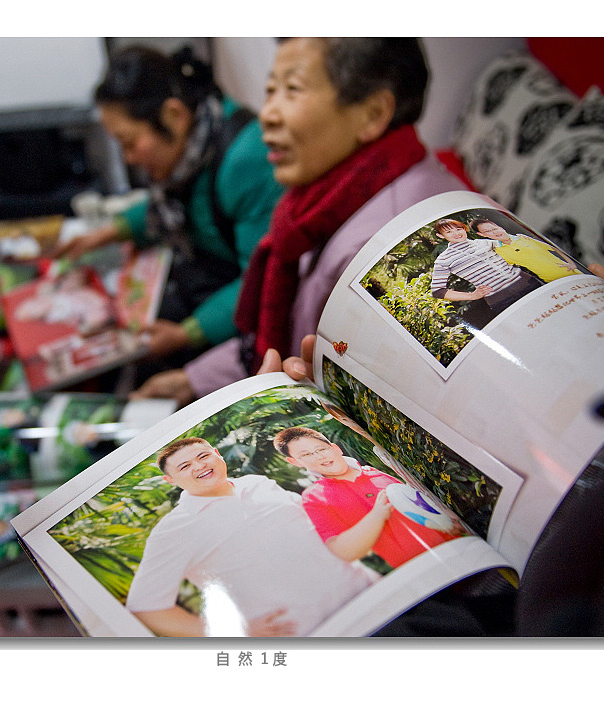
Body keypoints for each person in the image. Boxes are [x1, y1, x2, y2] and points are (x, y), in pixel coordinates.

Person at [132, 38, 467, 406]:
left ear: (372, 114)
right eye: (270, 90)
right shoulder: (322, 203)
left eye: (292, 89)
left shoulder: (392, 251)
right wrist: (192, 380)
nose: (267, 114)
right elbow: (291, 336)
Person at [52, 46, 283, 364]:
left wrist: (186, 334)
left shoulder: (245, 161)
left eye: (129, 143)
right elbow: (170, 207)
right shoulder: (192, 149)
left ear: (174, 116)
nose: (129, 158)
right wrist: (107, 233)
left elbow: (261, 280)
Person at [124, 437, 375, 636]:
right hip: (315, 633)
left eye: (203, 456)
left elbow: (322, 526)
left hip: (369, 594)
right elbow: (146, 608)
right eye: (185, 466)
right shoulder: (174, 530)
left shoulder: (258, 483)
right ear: (171, 480)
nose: (199, 466)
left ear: (217, 454)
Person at [273, 427, 464, 570]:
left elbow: (423, 503)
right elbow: (343, 551)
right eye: (306, 454)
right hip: (422, 571)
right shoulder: (313, 497)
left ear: (335, 448)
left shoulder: (376, 472)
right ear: (295, 462)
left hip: (459, 548)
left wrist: (448, 518)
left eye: (321, 449)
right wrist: (377, 515)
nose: (319, 457)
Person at [430, 218, 544, 314]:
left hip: (527, 283)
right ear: (440, 235)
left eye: (459, 229)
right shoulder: (443, 259)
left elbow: (512, 245)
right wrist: (472, 296)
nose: (456, 233)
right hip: (501, 300)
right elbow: (438, 291)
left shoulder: (483, 242)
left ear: (464, 229)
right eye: (449, 232)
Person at [470, 217, 585, 282]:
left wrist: (571, 263)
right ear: (482, 235)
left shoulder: (522, 237)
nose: (494, 232)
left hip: (570, 272)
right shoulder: (500, 252)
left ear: (498, 226)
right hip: (551, 280)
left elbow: (552, 248)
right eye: (488, 231)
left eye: (494, 228)